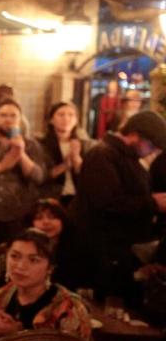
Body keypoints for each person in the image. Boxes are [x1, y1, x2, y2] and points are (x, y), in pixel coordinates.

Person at [71, 110, 166, 304]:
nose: (152, 151)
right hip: (102, 252)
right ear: (135, 135)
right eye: (152, 145)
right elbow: (106, 202)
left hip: (117, 251)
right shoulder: (103, 155)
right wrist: (153, 203)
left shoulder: (125, 158)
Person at [0, 229, 92, 341]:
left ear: (50, 268)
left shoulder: (69, 307)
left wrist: (17, 336)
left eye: (33, 260)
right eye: (15, 256)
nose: (20, 266)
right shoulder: (2, 296)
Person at [0, 98, 46, 245]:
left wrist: (21, 153)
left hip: (17, 214)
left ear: (20, 118)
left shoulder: (31, 144)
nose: (8, 119)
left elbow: (38, 177)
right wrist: (3, 165)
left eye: (13, 115)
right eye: (3, 115)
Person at [27, 198, 94, 292]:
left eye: (52, 217)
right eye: (39, 218)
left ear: (63, 220)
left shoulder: (78, 248)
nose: (46, 222)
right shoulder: (23, 246)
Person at [38, 101, 94, 206]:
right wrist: (66, 164)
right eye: (61, 114)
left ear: (76, 120)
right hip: (52, 197)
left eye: (71, 115)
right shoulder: (41, 144)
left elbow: (87, 176)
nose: (66, 119)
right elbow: (41, 176)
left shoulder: (85, 144)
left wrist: (76, 156)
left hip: (78, 198)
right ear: (51, 120)